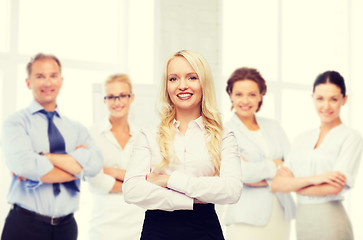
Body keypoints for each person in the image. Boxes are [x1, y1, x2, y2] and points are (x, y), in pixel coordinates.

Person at [122, 50, 243, 240]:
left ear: (204, 83)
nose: (182, 86)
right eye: (173, 79)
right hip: (157, 232)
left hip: (205, 231)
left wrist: (166, 180)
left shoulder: (224, 136)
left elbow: (231, 190)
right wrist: (193, 199)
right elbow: (132, 190)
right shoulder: (149, 135)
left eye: (192, 77)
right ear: (166, 86)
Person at [1, 53, 103, 240]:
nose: (47, 83)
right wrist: (77, 165)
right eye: (40, 76)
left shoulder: (76, 128)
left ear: (61, 80)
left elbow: (95, 165)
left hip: (67, 227)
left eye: (53, 75)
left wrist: (44, 157)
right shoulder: (16, 123)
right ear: (28, 82)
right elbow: (25, 166)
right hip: (24, 226)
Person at [271, 70, 363, 240]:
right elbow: (277, 184)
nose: (326, 106)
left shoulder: (351, 137)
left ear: (344, 100)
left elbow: (334, 187)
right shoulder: (301, 139)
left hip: (331, 220)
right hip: (303, 221)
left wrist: (292, 183)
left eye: (333, 99)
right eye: (320, 98)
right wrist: (316, 179)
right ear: (312, 97)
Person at [223, 67, 295, 240]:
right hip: (246, 218)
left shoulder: (273, 126)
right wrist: (275, 164)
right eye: (239, 94)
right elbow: (242, 173)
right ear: (230, 94)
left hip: (281, 213)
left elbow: (293, 165)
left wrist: (259, 174)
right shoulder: (224, 131)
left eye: (252, 94)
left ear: (261, 95)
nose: (245, 100)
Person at [87, 74, 144, 240]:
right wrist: (134, 183)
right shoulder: (91, 134)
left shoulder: (143, 135)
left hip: (138, 220)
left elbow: (149, 178)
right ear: (104, 100)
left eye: (122, 96)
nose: (117, 102)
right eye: (111, 97)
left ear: (131, 98)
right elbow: (95, 179)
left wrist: (110, 171)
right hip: (104, 222)